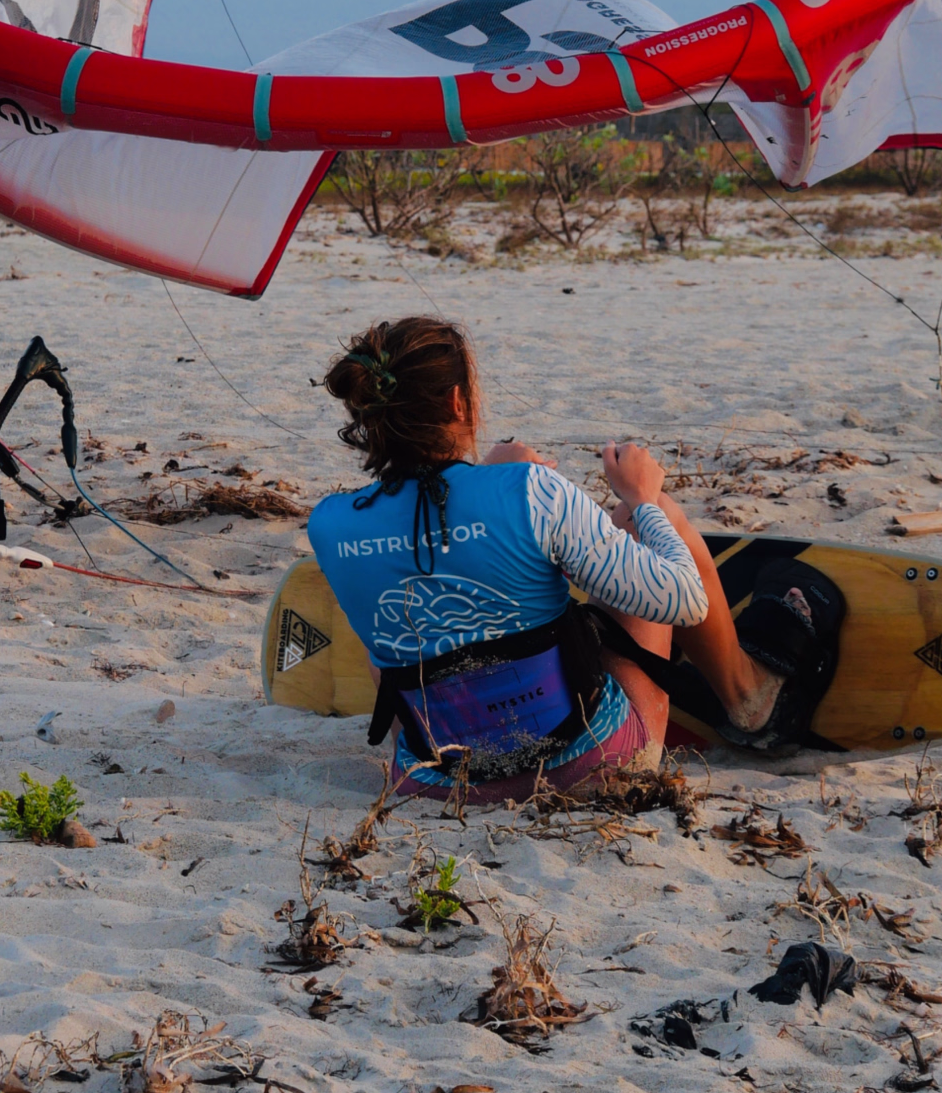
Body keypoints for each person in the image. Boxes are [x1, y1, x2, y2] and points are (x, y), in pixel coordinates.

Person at [307, 317, 833, 803]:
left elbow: (433, 532)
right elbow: (684, 597)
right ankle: (750, 699)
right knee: (648, 525)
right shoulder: (531, 489)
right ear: (458, 404)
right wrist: (642, 498)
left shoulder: (329, 525)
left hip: (437, 788)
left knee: (395, 605)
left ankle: (448, 737)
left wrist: (485, 478)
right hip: (589, 766)